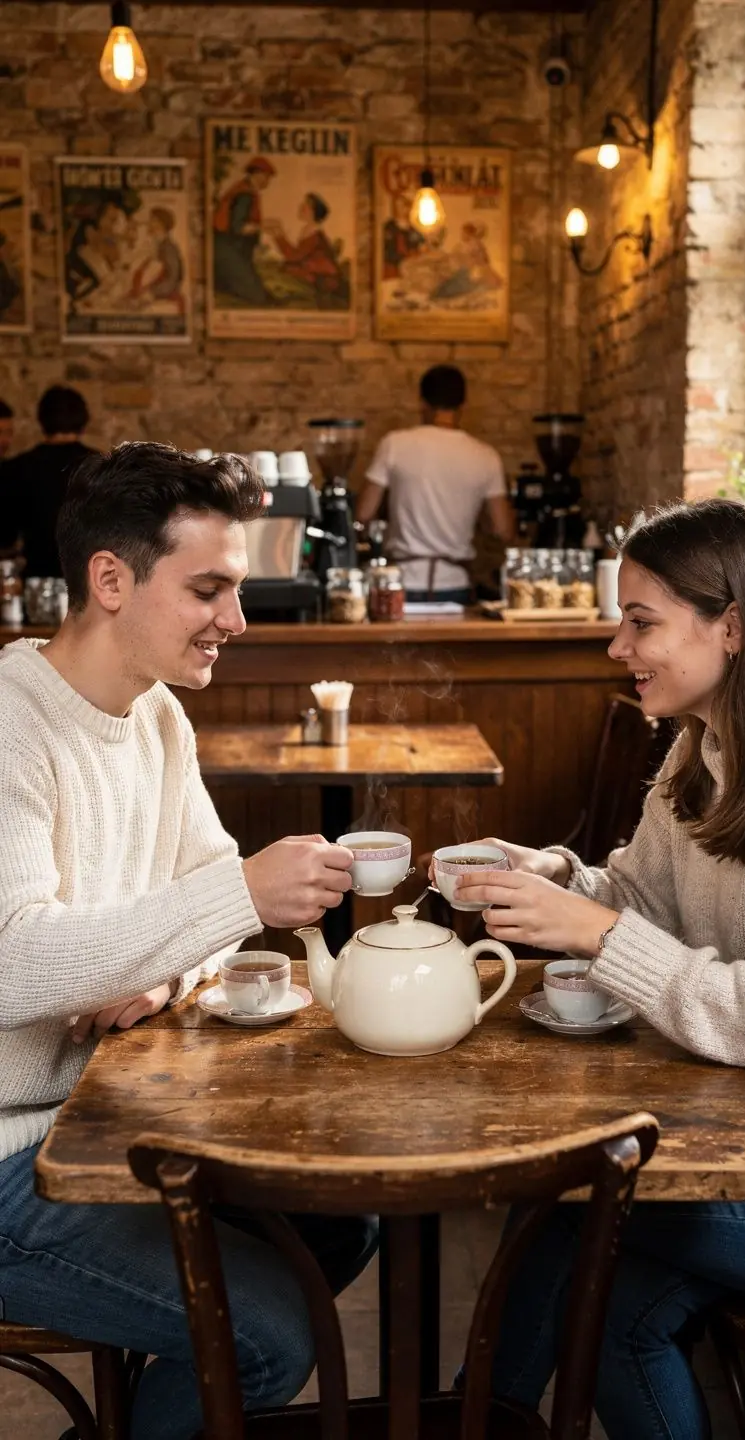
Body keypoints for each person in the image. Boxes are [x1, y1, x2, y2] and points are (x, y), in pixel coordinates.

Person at [0, 442, 374, 1440]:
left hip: (98, 1114)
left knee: (344, 1225)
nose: (236, 620)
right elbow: (12, 963)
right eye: (208, 589)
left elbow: (202, 902)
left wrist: (164, 969)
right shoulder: (10, 724)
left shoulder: (157, 714)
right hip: (9, 1155)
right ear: (110, 580)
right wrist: (232, 897)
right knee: (270, 1338)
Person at [449, 498, 745, 1440]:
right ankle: (477, 1415)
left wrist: (597, 932)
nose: (618, 647)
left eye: (641, 622)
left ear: (732, 627)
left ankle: (473, 1417)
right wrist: (556, 878)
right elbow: (638, 895)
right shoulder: (702, 748)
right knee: (611, 1316)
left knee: (566, 1197)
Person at [356, 365, 515, 604]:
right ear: (463, 404)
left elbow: (363, 513)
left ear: (422, 402)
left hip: (402, 581)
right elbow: (503, 529)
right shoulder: (486, 456)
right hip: (455, 582)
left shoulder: (394, 445)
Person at [0, 385, 97, 574]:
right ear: (83, 421)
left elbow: (5, 537)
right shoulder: (102, 467)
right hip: (87, 578)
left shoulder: (16, 468)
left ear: (42, 421)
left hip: (37, 577)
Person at [212, 156, 276, 307]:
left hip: (234, 250)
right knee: (257, 296)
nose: (268, 181)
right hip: (226, 250)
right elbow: (238, 227)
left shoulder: (245, 190)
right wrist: (263, 227)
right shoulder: (244, 194)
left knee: (259, 292)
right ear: (257, 174)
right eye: (267, 177)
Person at [268, 193, 345, 303]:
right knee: (284, 269)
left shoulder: (314, 233)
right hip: (313, 271)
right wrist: (278, 233)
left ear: (314, 212)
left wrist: (278, 234)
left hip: (324, 277)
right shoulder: (308, 229)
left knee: (285, 272)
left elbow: (294, 256)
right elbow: (297, 255)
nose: (302, 207)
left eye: (307, 205)